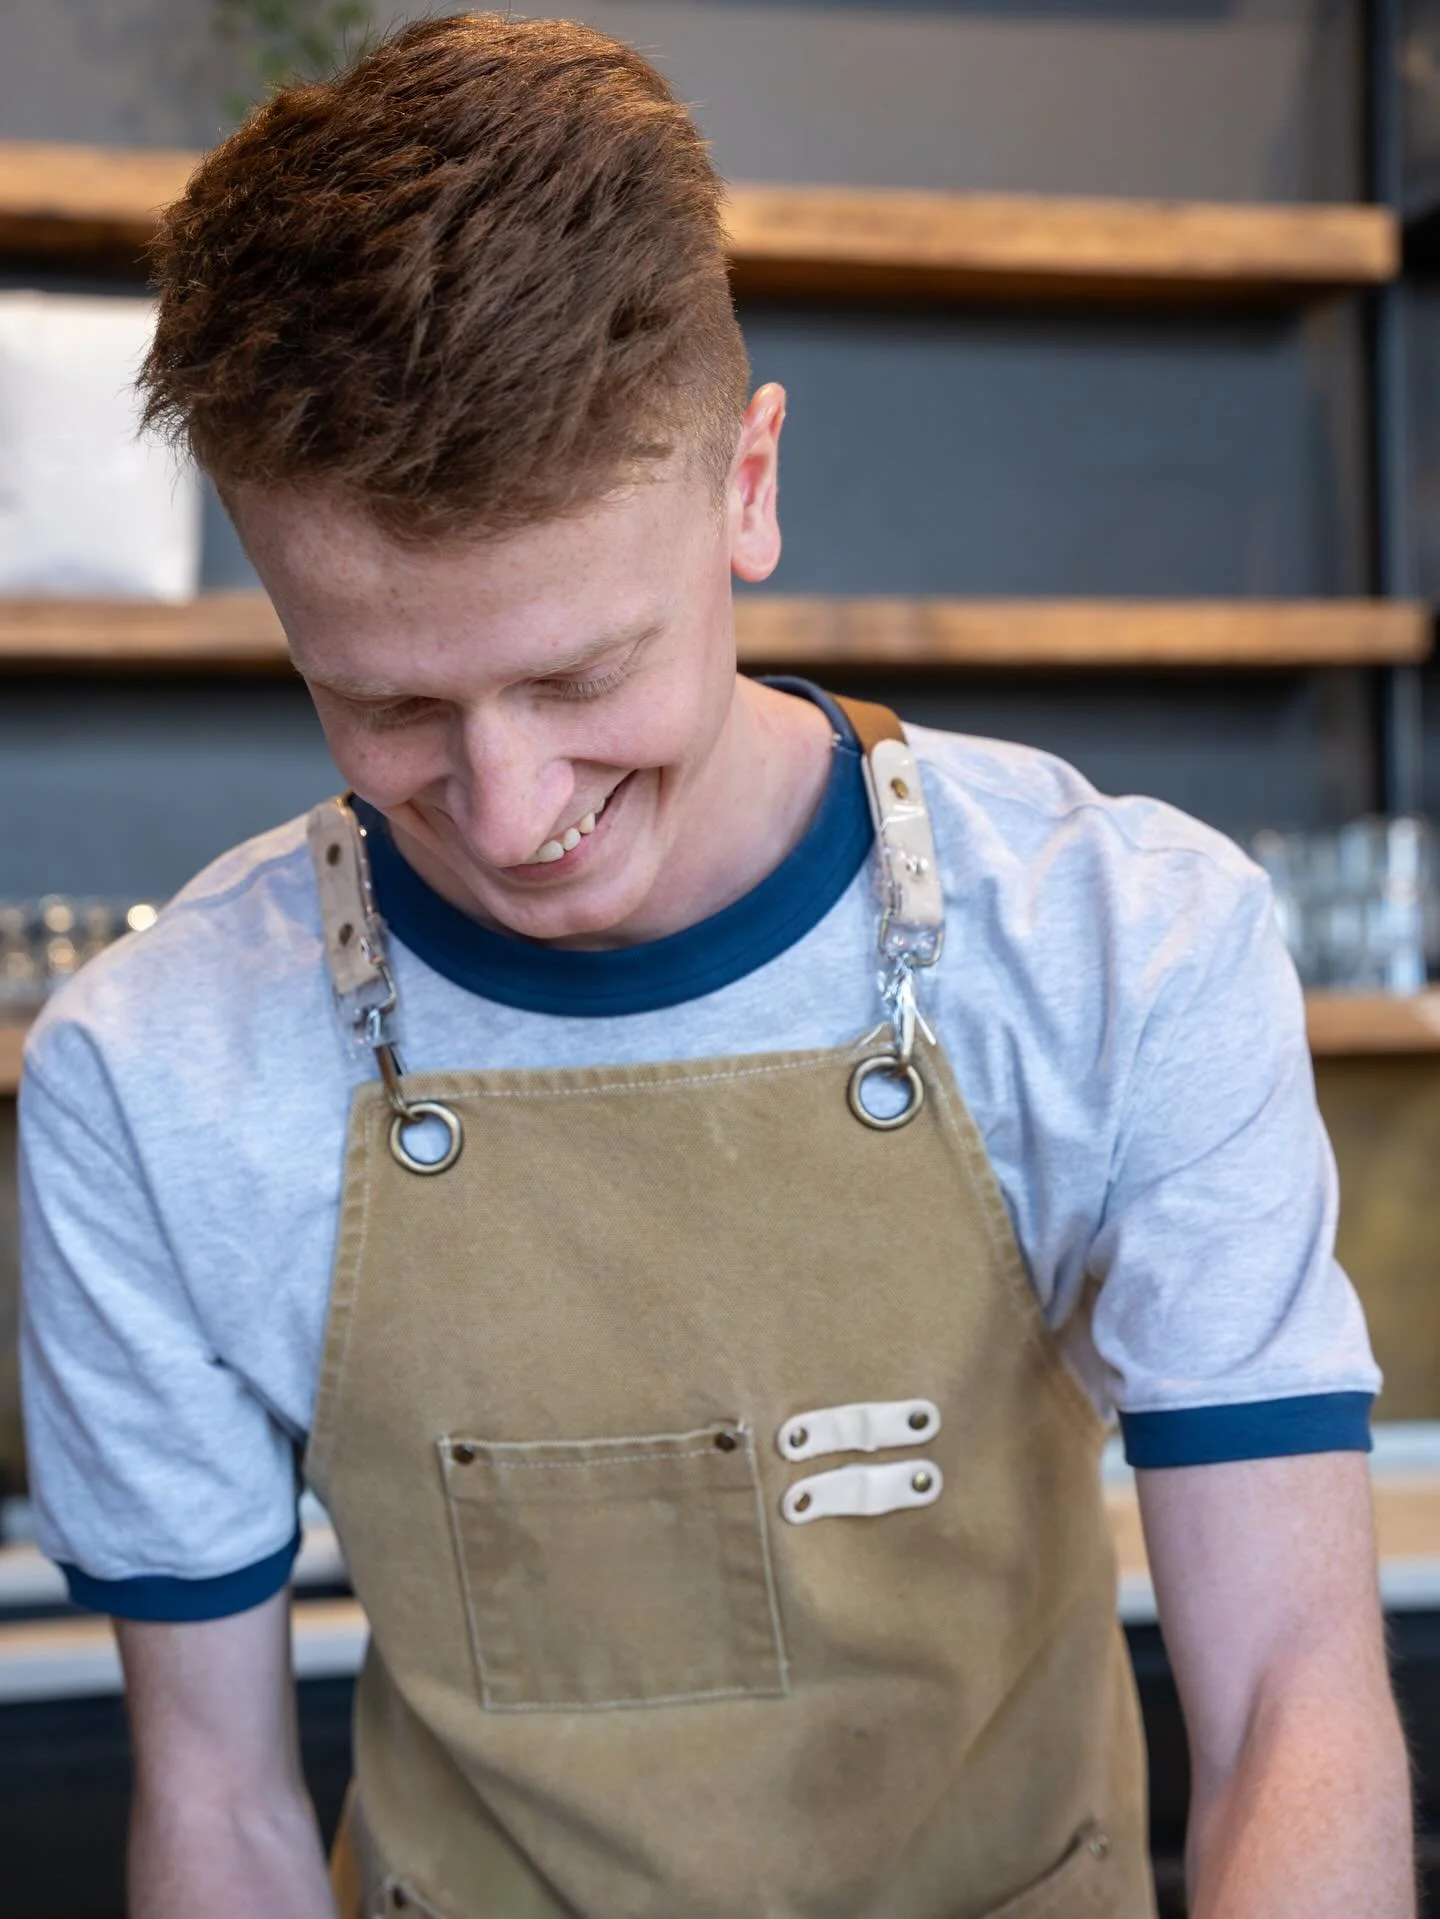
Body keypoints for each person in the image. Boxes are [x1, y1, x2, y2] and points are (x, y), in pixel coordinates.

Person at [18, 14, 1413, 1918]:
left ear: (747, 485)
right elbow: (223, 1817)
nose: (510, 810)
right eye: (389, 703)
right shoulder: (150, 1078)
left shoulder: (1124, 944)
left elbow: (1294, 1705)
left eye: (582, 675)